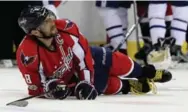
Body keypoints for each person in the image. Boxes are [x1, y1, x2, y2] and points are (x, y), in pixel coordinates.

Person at [16, 6, 172, 100]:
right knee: (107, 85)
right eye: (46, 22)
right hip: (70, 80)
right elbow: (36, 89)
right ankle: (129, 86)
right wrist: (52, 89)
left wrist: (86, 81)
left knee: (117, 61)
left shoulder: (65, 27)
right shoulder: (27, 54)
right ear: (35, 32)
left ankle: (147, 72)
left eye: (50, 18)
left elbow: (83, 58)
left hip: (87, 59)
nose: (52, 22)